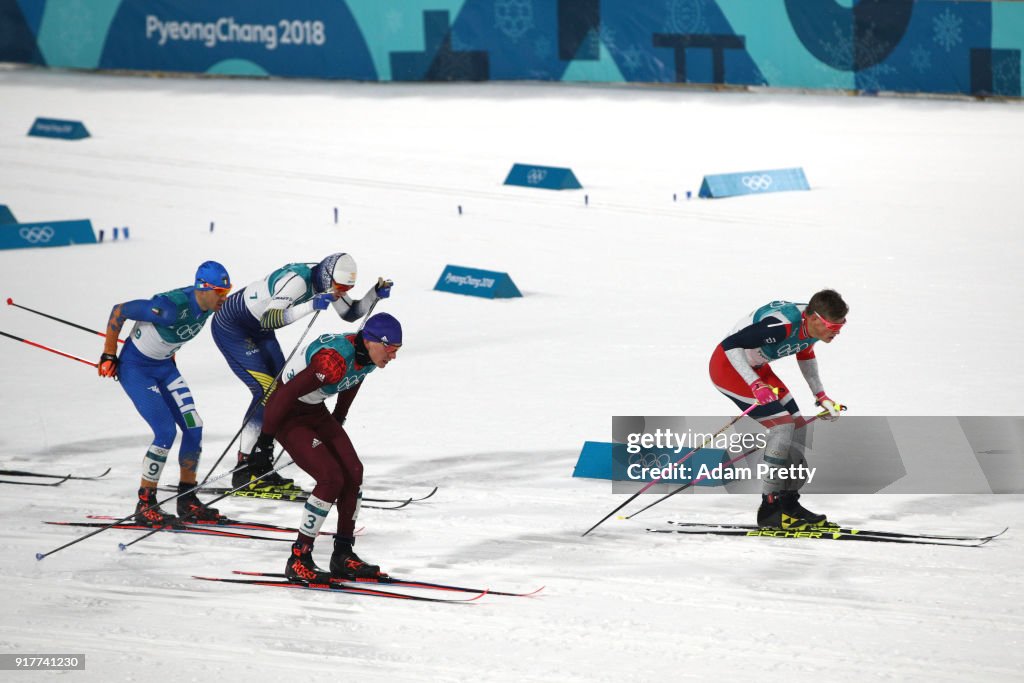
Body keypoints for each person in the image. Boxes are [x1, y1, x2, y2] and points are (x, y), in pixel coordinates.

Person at [211, 253, 392, 492]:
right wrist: (311, 305)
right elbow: (270, 317)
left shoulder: (327, 281)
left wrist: (373, 295)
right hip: (233, 326)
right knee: (266, 392)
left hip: (259, 331)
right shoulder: (298, 280)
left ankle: (259, 464)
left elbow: (349, 314)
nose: (341, 293)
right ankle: (245, 468)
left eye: (347, 288)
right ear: (328, 277)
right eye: (339, 287)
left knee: (281, 388)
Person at [250, 312, 402, 583]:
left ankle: (343, 554)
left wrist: (338, 419)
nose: (393, 357)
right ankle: (298, 558)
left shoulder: (366, 356)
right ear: (372, 341)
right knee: (331, 478)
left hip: (314, 410)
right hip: (287, 413)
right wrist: (264, 443)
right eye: (390, 349)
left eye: (397, 351)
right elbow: (282, 395)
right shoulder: (331, 361)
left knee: (354, 472)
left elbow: (354, 379)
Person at [99, 261, 232, 526]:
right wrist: (109, 354)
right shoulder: (170, 308)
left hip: (164, 367)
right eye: (220, 292)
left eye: (226, 292)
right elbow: (120, 311)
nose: (223, 298)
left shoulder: (208, 306)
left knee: (194, 427)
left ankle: (187, 498)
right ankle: (145, 503)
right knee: (165, 432)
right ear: (202, 288)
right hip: (136, 370)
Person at [709, 289, 848, 529]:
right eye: (832, 328)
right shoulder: (779, 326)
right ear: (815, 319)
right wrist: (755, 384)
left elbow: (805, 352)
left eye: (841, 327)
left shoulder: (813, 323)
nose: (836, 333)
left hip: (758, 369)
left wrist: (821, 396)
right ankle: (770, 509)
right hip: (729, 368)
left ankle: (788, 502)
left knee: (799, 429)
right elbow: (730, 345)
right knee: (783, 428)